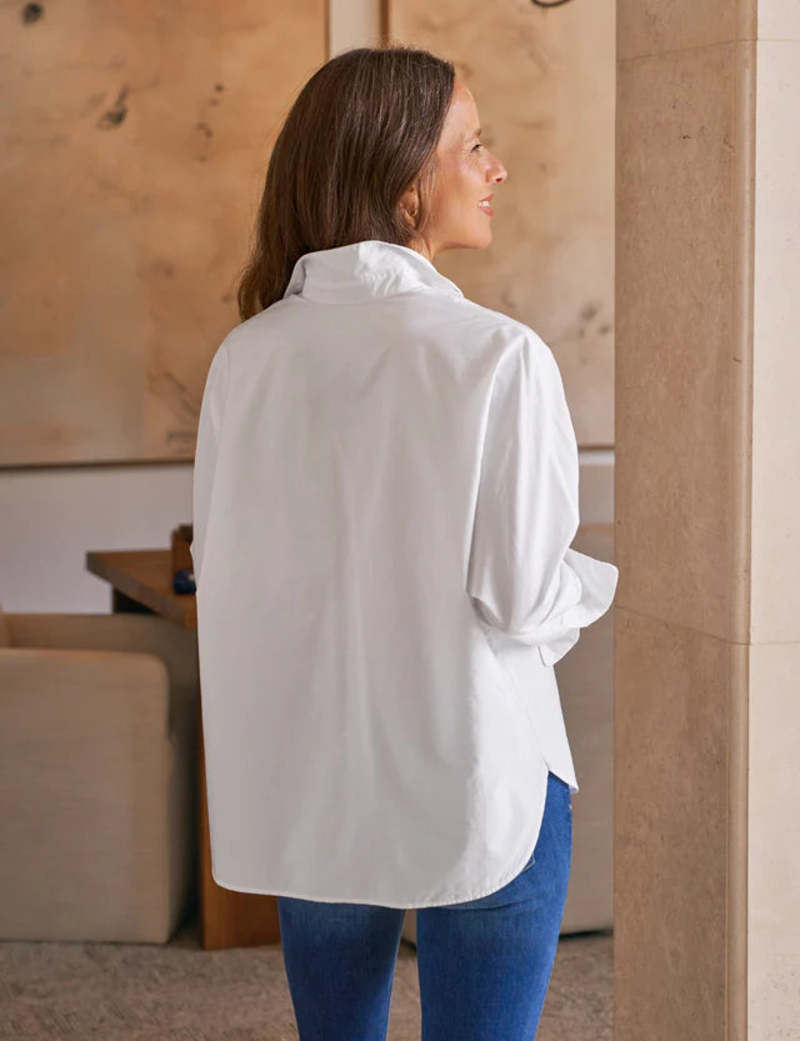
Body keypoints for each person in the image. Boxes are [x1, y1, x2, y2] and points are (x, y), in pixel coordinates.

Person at [191, 44, 619, 1041]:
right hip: (482, 773)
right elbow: (522, 598)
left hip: (315, 780)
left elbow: (228, 576)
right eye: (473, 146)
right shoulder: (498, 357)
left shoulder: (245, 359)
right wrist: (598, 581)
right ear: (404, 182)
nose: (496, 168)